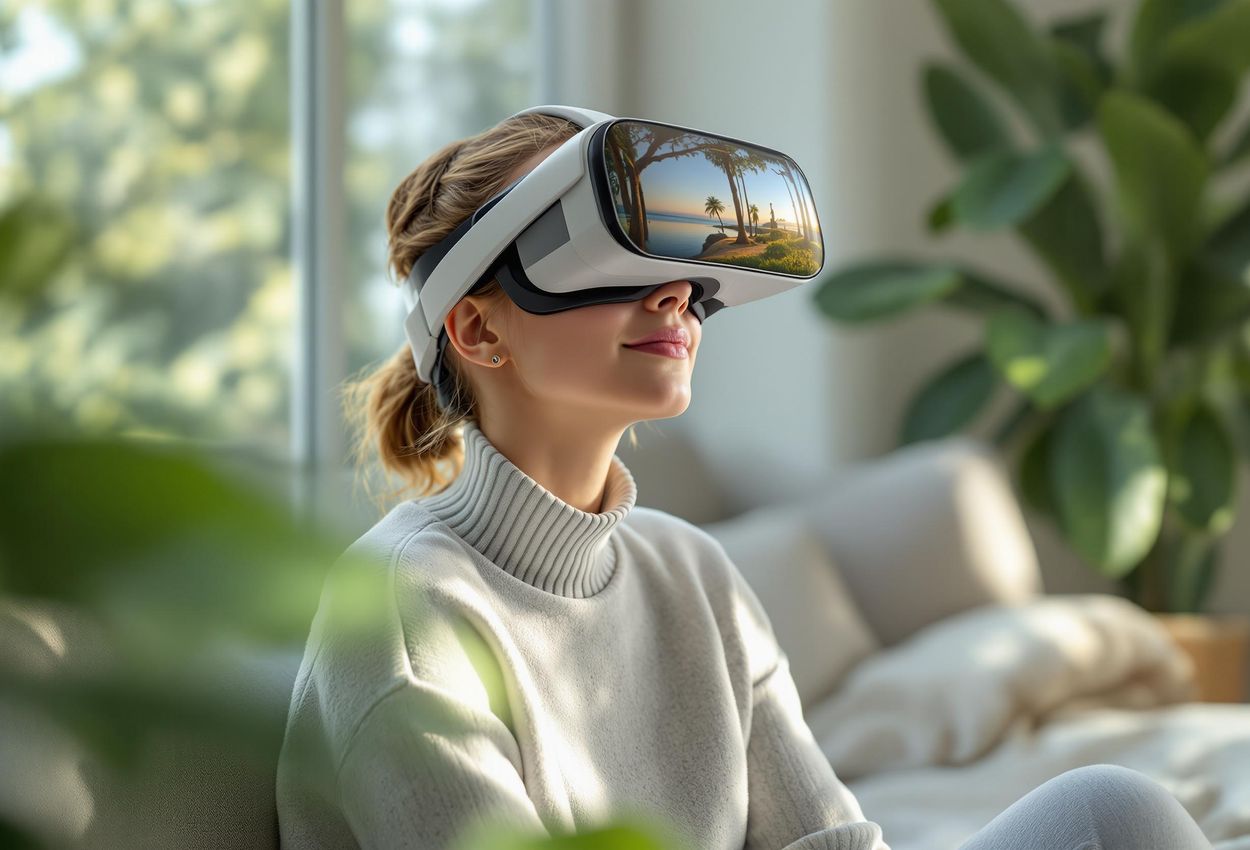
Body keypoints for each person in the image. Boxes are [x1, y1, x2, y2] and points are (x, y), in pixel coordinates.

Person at [274, 111, 1215, 850]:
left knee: (1114, 814)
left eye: (678, 258)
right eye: (609, 252)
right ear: (478, 330)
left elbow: (830, 844)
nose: (675, 292)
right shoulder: (404, 615)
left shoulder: (696, 574)